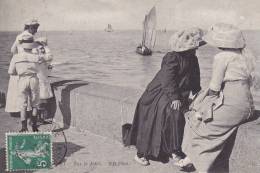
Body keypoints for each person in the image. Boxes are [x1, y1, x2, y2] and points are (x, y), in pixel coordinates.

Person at [179, 23, 257, 173]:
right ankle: (198, 160)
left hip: (231, 105)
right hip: (246, 106)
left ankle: (194, 158)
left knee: (197, 121)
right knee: (203, 114)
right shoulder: (244, 56)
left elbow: (214, 88)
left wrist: (203, 103)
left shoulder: (222, 57)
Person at [124, 28, 205, 166]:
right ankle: (142, 153)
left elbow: (195, 77)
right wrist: (174, 98)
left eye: (195, 48)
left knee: (178, 113)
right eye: (193, 47)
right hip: (160, 92)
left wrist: (198, 92)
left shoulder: (193, 58)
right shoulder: (172, 57)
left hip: (178, 92)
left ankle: (174, 149)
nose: (195, 50)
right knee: (168, 112)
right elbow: (168, 79)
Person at [5, 18, 40, 113]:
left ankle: (20, 112)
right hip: (28, 64)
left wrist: (18, 58)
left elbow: (13, 50)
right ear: (30, 28)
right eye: (35, 28)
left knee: (20, 91)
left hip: (19, 64)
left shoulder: (19, 36)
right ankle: (31, 113)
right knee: (31, 91)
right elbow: (34, 52)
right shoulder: (29, 37)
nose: (36, 31)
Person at [8, 34, 40, 132]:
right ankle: (34, 127)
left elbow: (11, 72)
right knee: (35, 104)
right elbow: (39, 70)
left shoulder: (16, 57)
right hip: (33, 80)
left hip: (22, 80)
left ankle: (24, 127)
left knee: (23, 104)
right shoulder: (36, 57)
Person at [33, 37, 54, 121]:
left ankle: (38, 119)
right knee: (41, 102)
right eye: (41, 48)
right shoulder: (40, 57)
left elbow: (47, 73)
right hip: (40, 82)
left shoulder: (36, 57)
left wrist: (49, 68)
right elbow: (50, 56)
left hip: (41, 80)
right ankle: (38, 119)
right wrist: (46, 46)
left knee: (39, 102)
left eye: (43, 48)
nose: (42, 50)